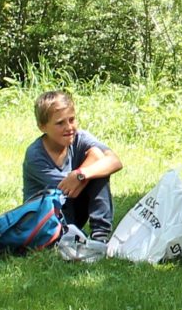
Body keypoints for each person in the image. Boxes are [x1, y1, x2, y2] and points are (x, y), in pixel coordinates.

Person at [22, 91, 123, 244]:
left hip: (71, 211)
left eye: (72, 119)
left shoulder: (80, 138)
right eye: (60, 123)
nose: (69, 127)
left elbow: (115, 162)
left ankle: (100, 237)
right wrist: (93, 158)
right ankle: (69, 237)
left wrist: (81, 174)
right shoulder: (35, 155)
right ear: (42, 127)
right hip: (45, 220)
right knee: (97, 166)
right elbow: (69, 190)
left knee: (99, 170)